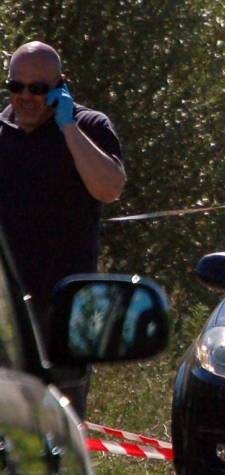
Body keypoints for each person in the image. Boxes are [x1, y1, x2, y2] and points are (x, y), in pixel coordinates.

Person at [0, 41, 126, 416]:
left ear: (60, 87)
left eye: (37, 88)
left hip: (65, 307)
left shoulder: (90, 126)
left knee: (63, 420)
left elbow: (109, 188)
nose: (25, 97)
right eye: (15, 86)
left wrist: (67, 126)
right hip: (6, 307)